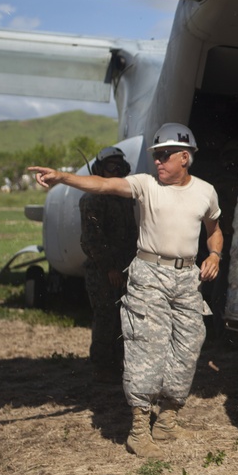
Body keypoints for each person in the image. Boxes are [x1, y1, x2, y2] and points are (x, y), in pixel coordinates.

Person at [29, 123, 223, 458]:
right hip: (150, 275)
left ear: (184, 157)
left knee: (188, 347)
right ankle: (138, 430)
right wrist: (63, 177)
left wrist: (216, 255)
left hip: (187, 278)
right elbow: (103, 184)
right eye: (156, 156)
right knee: (145, 349)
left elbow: (214, 230)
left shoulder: (205, 192)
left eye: (164, 156)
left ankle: (167, 420)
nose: (158, 162)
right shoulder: (145, 185)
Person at [80, 146, 138, 384]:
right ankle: (102, 369)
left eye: (119, 165)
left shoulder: (124, 197)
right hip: (103, 271)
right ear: (99, 170)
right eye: (110, 166)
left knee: (124, 320)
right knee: (106, 318)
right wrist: (110, 269)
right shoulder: (93, 199)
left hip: (125, 268)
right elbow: (92, 240)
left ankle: (119, 367)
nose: (116, 169)